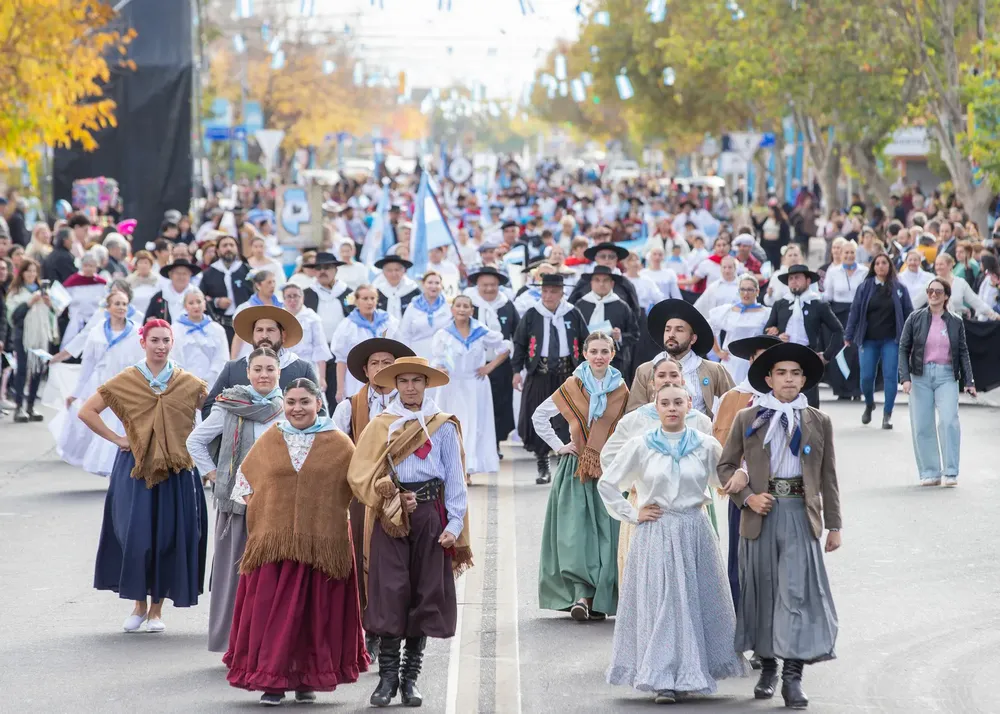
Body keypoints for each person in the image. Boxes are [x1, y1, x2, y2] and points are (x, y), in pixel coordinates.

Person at [599, 383, 749, 704]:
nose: (671, 408)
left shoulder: (706, 445)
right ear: (656, 406)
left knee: (693, 601)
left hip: (695, 529)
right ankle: (662, 677)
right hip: (657, 531)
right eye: (664, 403)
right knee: (665, 602)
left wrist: (746, 477)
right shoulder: (641, 445)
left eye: (677, 402)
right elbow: (609, 483)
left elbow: (725, 478)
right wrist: (633, 512)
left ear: (688, 405)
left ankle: (693, 671)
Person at [224, 378, 368, 704]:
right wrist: (271, 514)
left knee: (315, 618)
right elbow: (245, 483)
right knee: (272, 616)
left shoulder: (340, 444)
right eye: (291, 402)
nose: (297, 408)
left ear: (319, 403)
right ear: (283, 404)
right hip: (273, 549)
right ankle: (272, 682)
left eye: (304, 401)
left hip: (322, 546)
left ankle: (307, 680)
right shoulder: (272, 439)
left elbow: (360, 484)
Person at [717, 342, 841, 710]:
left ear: (804, 379)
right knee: (762, 594)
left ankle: (793, 676)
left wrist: (834, 524)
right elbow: (725, 466)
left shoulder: (818, 421)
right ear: (768, 378)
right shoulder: (749, 418)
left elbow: (828, 475)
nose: (789, 380)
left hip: (800, 517)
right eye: (781, 373)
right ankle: (768, 667)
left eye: (796, 373)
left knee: (796, 595)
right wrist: (747, 498)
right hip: (760, 515)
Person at [346, 356, 473, 708]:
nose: (411, 387)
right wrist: (388, 493)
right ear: (396, 385)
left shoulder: (442, 425)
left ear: (426, 384)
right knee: (390, 591)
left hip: (430, 516)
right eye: (404, 381)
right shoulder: (381, 424)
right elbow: (361, 475)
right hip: (391, 517)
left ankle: (410, 678)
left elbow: (455, 476)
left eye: (418, 381)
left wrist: (455, 523)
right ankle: (386, 678)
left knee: (423, 592)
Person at [79, 319, 209, 633]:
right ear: (143, 342)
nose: (161, 346)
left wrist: (204, 454)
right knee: (135, 537)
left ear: (172, 342)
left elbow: (214, 418)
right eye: (154, 340)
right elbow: (87, 411)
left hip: (177, 471)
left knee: (168, 538)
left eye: (166, 340)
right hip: (135, 470)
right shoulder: (127, 380)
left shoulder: (190, 383)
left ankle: (156, 611)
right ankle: (137, 605)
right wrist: (118, 438)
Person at [531, 331, 627, 621]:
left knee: (607, 537)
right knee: (575, 536)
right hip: (576, 473)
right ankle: (580, 596)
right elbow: (539, 416)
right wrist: (560, 447)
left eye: (605, 351)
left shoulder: (622, 389)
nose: (599, 356)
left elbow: (630, 427)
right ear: (584, 354)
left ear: (612, 354)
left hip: (610, 472)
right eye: (594, 350)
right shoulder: (572, 385)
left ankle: (601, 597)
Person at [331, 337, 414, 659]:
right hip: (361, 495)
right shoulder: (349, 405)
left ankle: (397, 625)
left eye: (387, 362)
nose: (381, 368)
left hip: (402, 495)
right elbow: (336, 449)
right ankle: (369, 629)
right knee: (361, 561)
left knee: (396, 565)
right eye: (375, 363)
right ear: (365, 370)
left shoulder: (411, 404)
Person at [600, 354, 715, 585]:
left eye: (673, 374)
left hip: (689, 507)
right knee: (651, 578)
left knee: (691, 579)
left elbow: (712, 463)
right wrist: (632, 480)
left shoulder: (700, 421)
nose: (667, 379)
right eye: (661, 375)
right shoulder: (635, 420)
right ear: (652, 383)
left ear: (683, 380)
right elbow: (609, 455)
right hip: (650, 504)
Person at [710, 335, 780, 619]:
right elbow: (719, 446)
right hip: (741, 494)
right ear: (750, 362)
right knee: (740, 562)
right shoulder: (732, 398)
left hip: (780, 492)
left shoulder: (787, 402)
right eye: (756, 358)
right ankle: (741, 625)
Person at [511, 273, 590, 484]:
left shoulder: (573, 314)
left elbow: (585, 341)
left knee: (568, 419)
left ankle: (567, 463)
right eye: (545, 291)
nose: (548, 296)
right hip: (540, 374)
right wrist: (517, 370)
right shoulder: (532, 315)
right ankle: (542, 463)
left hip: (567, 373)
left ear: (562, 293)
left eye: (553, 292)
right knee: (538, 415)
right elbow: (519, 343)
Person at [54, 290, 142, 475]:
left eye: (124, 304)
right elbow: (88, 364)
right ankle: (109, 466)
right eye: (117, 303)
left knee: (121, 424)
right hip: (101, 384)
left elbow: (141, 363)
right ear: (108, 307)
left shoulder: (135, 332)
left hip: (126, 387)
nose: (121, 307)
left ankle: (118, 467)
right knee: (103, 424)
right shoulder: (97, 332)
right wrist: (76, 392)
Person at [898, 278, 976, 487]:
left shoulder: (955, 321)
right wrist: (905, 378)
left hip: (946, 376)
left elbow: (963, 351)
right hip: (920, 375)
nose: (933, 295)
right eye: (930, 291)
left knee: (949, 420)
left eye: (938, 292)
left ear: (946, 296)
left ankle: (951, 471)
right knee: (922, 424)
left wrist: (969, 380)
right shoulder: (914, 318)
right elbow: (904, 348)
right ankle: (930, 472)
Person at [432, 295, 510, 483]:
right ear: (452, 309)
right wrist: (439, 369)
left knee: (473, 427)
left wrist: (489, 368)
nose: (462, 309)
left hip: (475, 385)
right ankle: (451, 468)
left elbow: (505, 347)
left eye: (466, 306)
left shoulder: (481, 331)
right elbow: (436, 359)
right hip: (451, 386)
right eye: (458, 305)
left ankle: (467, 469)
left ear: (471, 310)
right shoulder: (444, 334)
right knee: (452, 427)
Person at [203, 305, 318, 418]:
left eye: (270, 330)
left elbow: (318, 410)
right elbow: (210, 407)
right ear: (252, 335)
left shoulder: (302, 369)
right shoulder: (233, 368)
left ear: (283, 335)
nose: (264, 335)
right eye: (259, 330)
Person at [627, 299, 734, 419]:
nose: (671, 334)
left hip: (700, 434)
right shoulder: (645, 370)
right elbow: (633, 414)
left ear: (693, 339)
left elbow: (734, 404)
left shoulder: (713, 370)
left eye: (679, 330)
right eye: (667, 329)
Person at [844, 254, 913, 429]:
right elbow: (855, 311)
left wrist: (910, 337)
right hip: (868, 339)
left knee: (891, 376)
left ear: (890, 266)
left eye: (884, 263)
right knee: (866, 377)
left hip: (892, 339)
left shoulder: (899, 288)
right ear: (873, 267)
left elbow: (909, 313)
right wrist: (848, 335)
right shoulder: (865, 287)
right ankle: (869, 403)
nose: (881, 266)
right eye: (877, 264)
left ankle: (887, 415)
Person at [764, 265, 844, 408]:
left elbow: (838, 331)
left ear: (808, 281)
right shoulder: (780, 304)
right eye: (791, 279)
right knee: (782, 397)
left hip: (808, 355)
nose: (794, 281)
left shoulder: (818, 304)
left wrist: (827, 356)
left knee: (809, 402)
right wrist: (776, 335)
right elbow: (767, 330)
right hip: (783, 354)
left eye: (798, 278)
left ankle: (810, 429)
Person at [466, 266, 520, 457]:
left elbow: (517, 335)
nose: (489, 289)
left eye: (493, 285)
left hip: (500, 364)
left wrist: (516, 368)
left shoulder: (506, 305)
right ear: (477, 285)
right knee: (474, 406)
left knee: (498, 405)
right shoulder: (469, 304)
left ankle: (494, 444)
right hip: (473, 366)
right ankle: (474, 446)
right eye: (484, 285)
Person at [6, 258, 57, 422]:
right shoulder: (16, 292)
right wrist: (29, 303)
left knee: (38, 370)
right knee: (22, 370)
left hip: (41, 336)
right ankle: (19, 406)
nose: (31, 274)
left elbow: (54, 316)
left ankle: (30, 405)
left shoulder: (44, 292)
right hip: (23, 336)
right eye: (28, 271)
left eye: (34, 271)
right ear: (22, 273)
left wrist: (50, 305)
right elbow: (13, 317)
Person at [300, 252, 353, 407]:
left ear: (336, 270)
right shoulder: (306, 294)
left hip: (342, 354)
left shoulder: (348, 294)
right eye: (319, 268)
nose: (323, 271)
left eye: (327, 267)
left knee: (341, 395)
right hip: (315, 353)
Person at [331, 284, 400, 401]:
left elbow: (399, 351)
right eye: (365, 299)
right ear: (357, 301)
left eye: (372, 298)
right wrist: (340, 389)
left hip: (387, 375)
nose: (369, 302)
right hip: (356, 380)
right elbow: (341, 360)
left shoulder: (388, 321)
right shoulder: (347, 326)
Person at [572, 265, 639, 374]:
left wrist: (620, 337)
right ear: (591, 283)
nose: (601, 284)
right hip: (585, 362)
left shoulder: (622, 306)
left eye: (605, 280)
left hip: (616, 363)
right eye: (597, 280)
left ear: (612, 284)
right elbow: (573, 333)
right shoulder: (580, 305)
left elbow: (635, 334)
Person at [821, 241, 866, 400]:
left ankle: (856, 389)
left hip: (858, 314)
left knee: (855, 351)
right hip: (839, 314)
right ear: (841, 254)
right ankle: (842, 390)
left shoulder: (864, 271)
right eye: (846, 253)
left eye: (852, 252)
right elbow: (828, 295)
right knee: (841, 351)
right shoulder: (833, 271)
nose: (849, 255)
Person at [710, 274, 771, 384]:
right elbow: (712, 328)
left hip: (753, 362)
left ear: (757, 291)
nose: (746, 293)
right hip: (731, 361)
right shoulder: (728, 311)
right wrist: (718, 351)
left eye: (750, 290)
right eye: (742, 289)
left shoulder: (766, 313)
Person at [170, 289, 230, 396]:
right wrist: (188, 380)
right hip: (184, 385)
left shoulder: (217, 329)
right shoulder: (175, 330)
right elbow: (174, 358)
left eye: (198, 302)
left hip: (213, 385)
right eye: (191, 303)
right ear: (185, 306)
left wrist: (208, 379)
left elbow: (222, 358)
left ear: (205, 304)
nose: (195, 306)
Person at [201, 234, 253, 345]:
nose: (228, 248)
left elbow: (256, 295)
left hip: (245, 325)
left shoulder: (247, 270)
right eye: (224, 245)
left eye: (231, 245)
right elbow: (200, 298)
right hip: (220, 325)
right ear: (218, 251)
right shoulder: (208, 273)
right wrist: (216, 302)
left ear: (237, 249)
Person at [398, 271, 452, 359]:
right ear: (423, 284)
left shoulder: (447, 307)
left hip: (441, 356)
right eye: (430, 282)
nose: (433, 286)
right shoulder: (413, 306)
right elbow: (405, 333)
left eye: (437, 283)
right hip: (417, 354)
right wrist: (407, 357)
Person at [60, 253, 108, 349]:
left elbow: (105, 301)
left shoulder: (101, 283)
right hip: (75, 318)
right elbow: (62, 299)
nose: (89, 269)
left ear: (96, 267)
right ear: (82, 266)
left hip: (95, 319)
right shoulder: (73, 281)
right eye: (86, 266)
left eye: (91, 266)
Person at [933, 252, 1000, 320]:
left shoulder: (960, 283)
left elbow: (975, 301)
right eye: (936, 264)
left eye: (941, 264)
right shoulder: (931, 283)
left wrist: (994, 315)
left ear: (950, 265)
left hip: (956, 324)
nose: (938, 267)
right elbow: (921, 299)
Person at [145, 258, 199, 324]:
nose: (181, 277)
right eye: (178, 273)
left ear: (190, 275)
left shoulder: (198, 296)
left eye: (185, 273)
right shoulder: (159, 297)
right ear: (170, 275)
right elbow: (146, 323)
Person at [373, 255, 420, 319]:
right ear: (383, 272)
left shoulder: (413, 290)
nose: (394, 274)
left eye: (397, 270)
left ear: (404, 271)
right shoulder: (377, 292)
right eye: (389, 270)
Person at [126, 250, 162, 317]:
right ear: (136, 265)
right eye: (141, 263)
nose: (143, 265)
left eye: (146, 263)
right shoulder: (129, 280)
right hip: (134, 315)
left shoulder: (158, 280)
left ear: (151, 265)